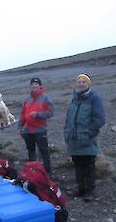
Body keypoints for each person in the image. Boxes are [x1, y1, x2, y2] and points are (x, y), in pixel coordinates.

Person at [64, 73, 105, 202]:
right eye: (79, 82)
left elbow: (99, 119)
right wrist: (67, 132)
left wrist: (88, 134)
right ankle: (80, 189)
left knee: (89, 166)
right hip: (74, 140)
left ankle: (89, 191)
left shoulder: (94, 98)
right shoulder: (75, 99)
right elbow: (68, 118)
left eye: (84, 82)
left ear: (88, 84)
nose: (81, 84)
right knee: (78, 166)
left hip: (87, 140)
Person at [18, 77, 54, 173]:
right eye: (33, 84)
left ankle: (47, 173)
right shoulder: (27, 99)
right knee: (31, 151)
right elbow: (22, 114)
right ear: (30, 86)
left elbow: (51, 112)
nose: (34, 86)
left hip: (40, 130)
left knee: (44, 152)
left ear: (40, 86)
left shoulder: (45, 98)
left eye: (36, 84)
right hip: (28, 131)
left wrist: (38, 114)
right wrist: (20, 127)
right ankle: (32, 172)